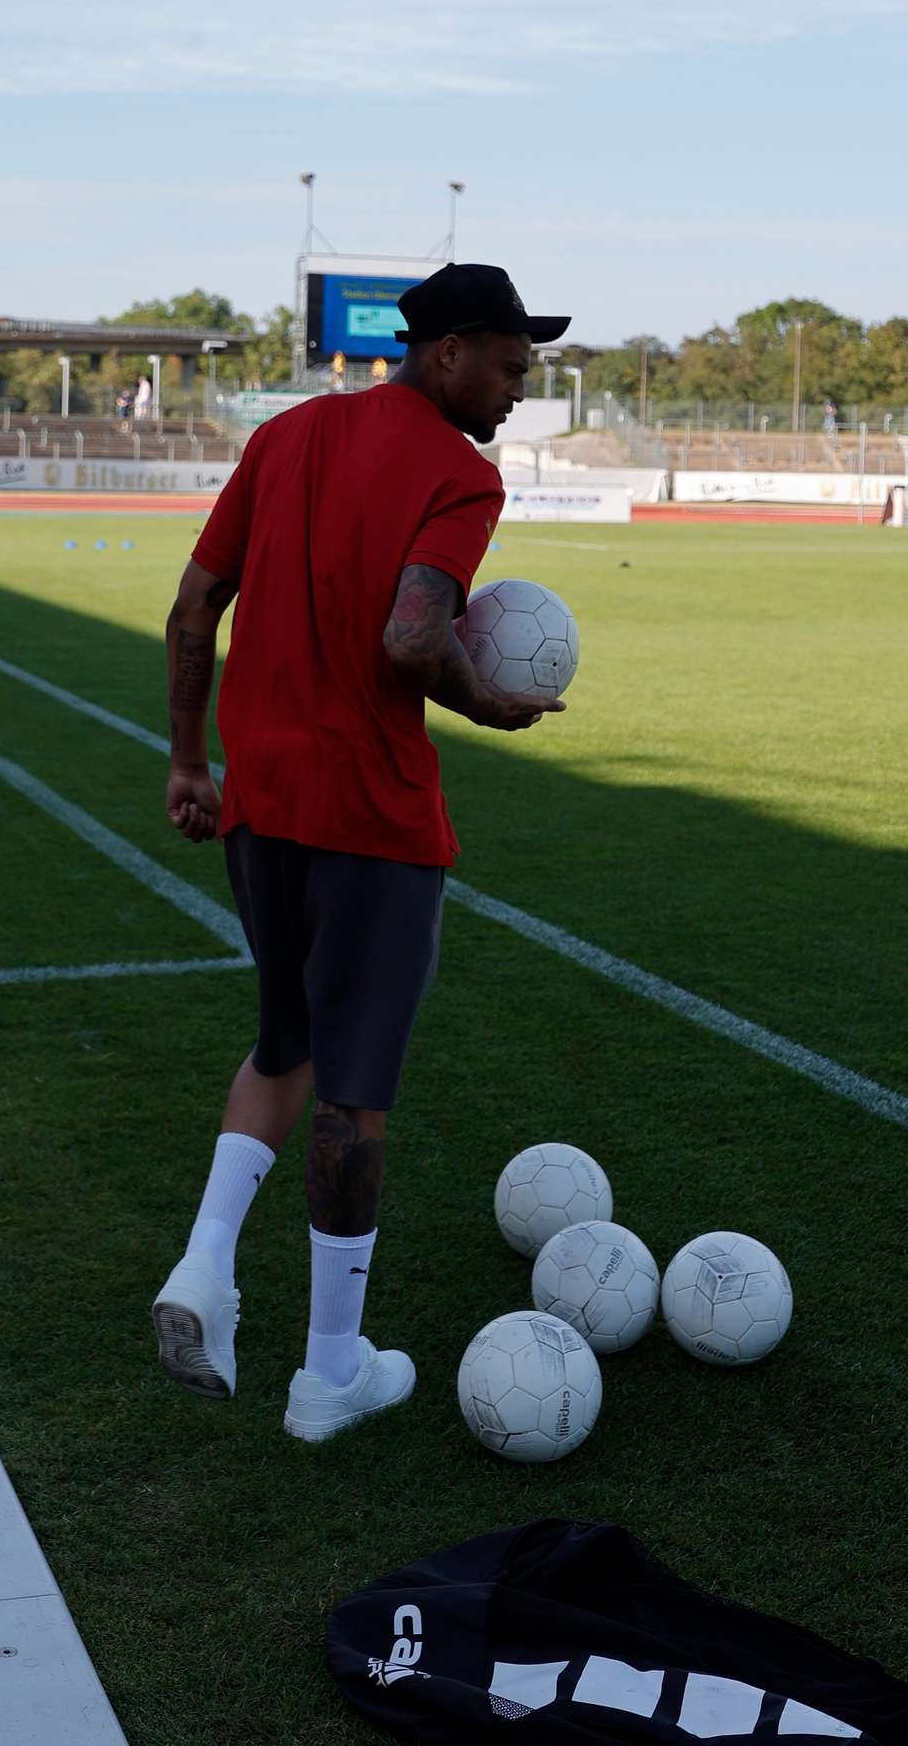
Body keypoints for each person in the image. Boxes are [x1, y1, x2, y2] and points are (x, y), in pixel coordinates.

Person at [152, 262, 571, 1442]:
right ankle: (328, 1370)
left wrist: (189, 760)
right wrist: (485, 699)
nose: (518, 387)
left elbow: (194, 612)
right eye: (508, 363)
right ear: (447, 353)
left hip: (260, 801)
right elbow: (411, 634)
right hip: (373, 822)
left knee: (283, 1039)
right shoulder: (457, 472)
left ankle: (203, 1269)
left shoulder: (285, 438)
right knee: (356, 1096)